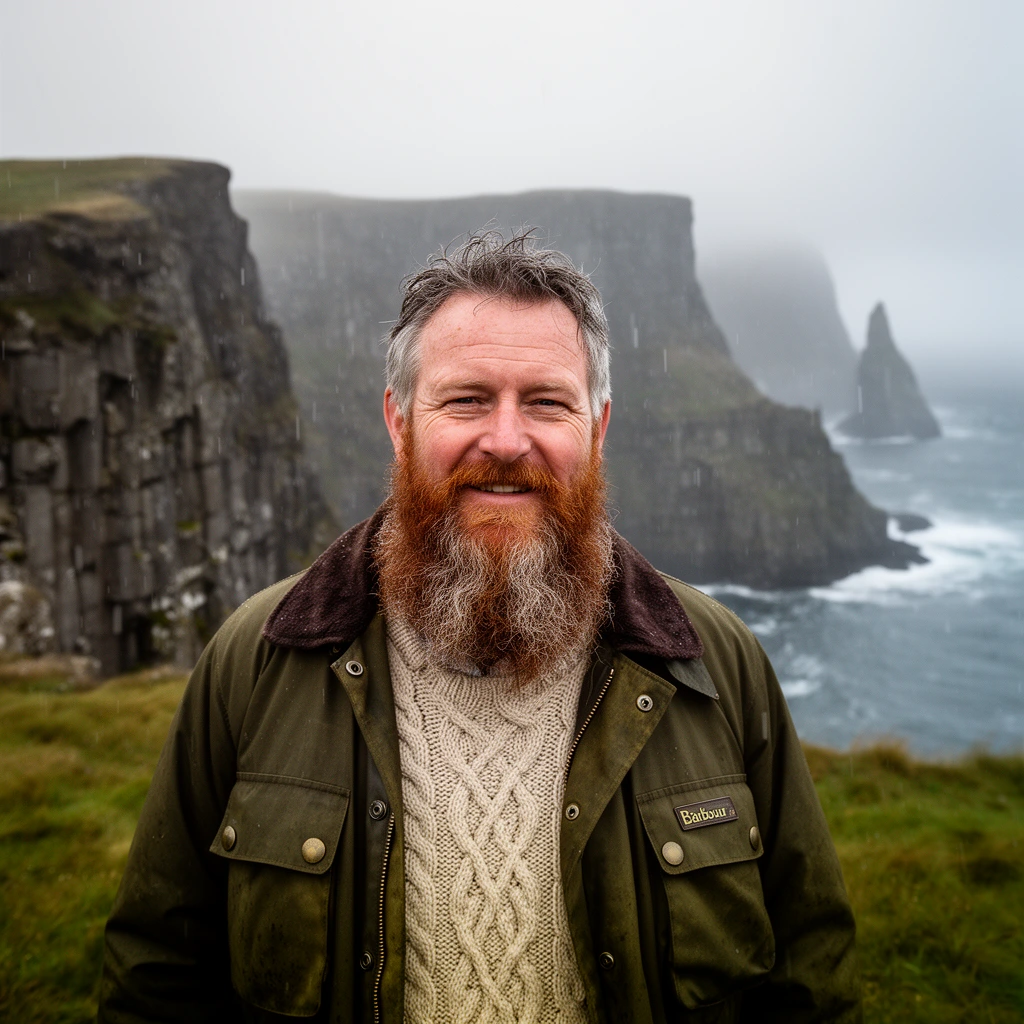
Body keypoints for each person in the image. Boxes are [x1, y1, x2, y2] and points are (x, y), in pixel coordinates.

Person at [100, 231, 861, 1023]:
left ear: (598, 429)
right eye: (466, 399)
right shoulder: (257, 660)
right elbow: (155, 973)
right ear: (399, 421)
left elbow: (812, 975)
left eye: (546, 401)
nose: (505, 440)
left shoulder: (716, 661)